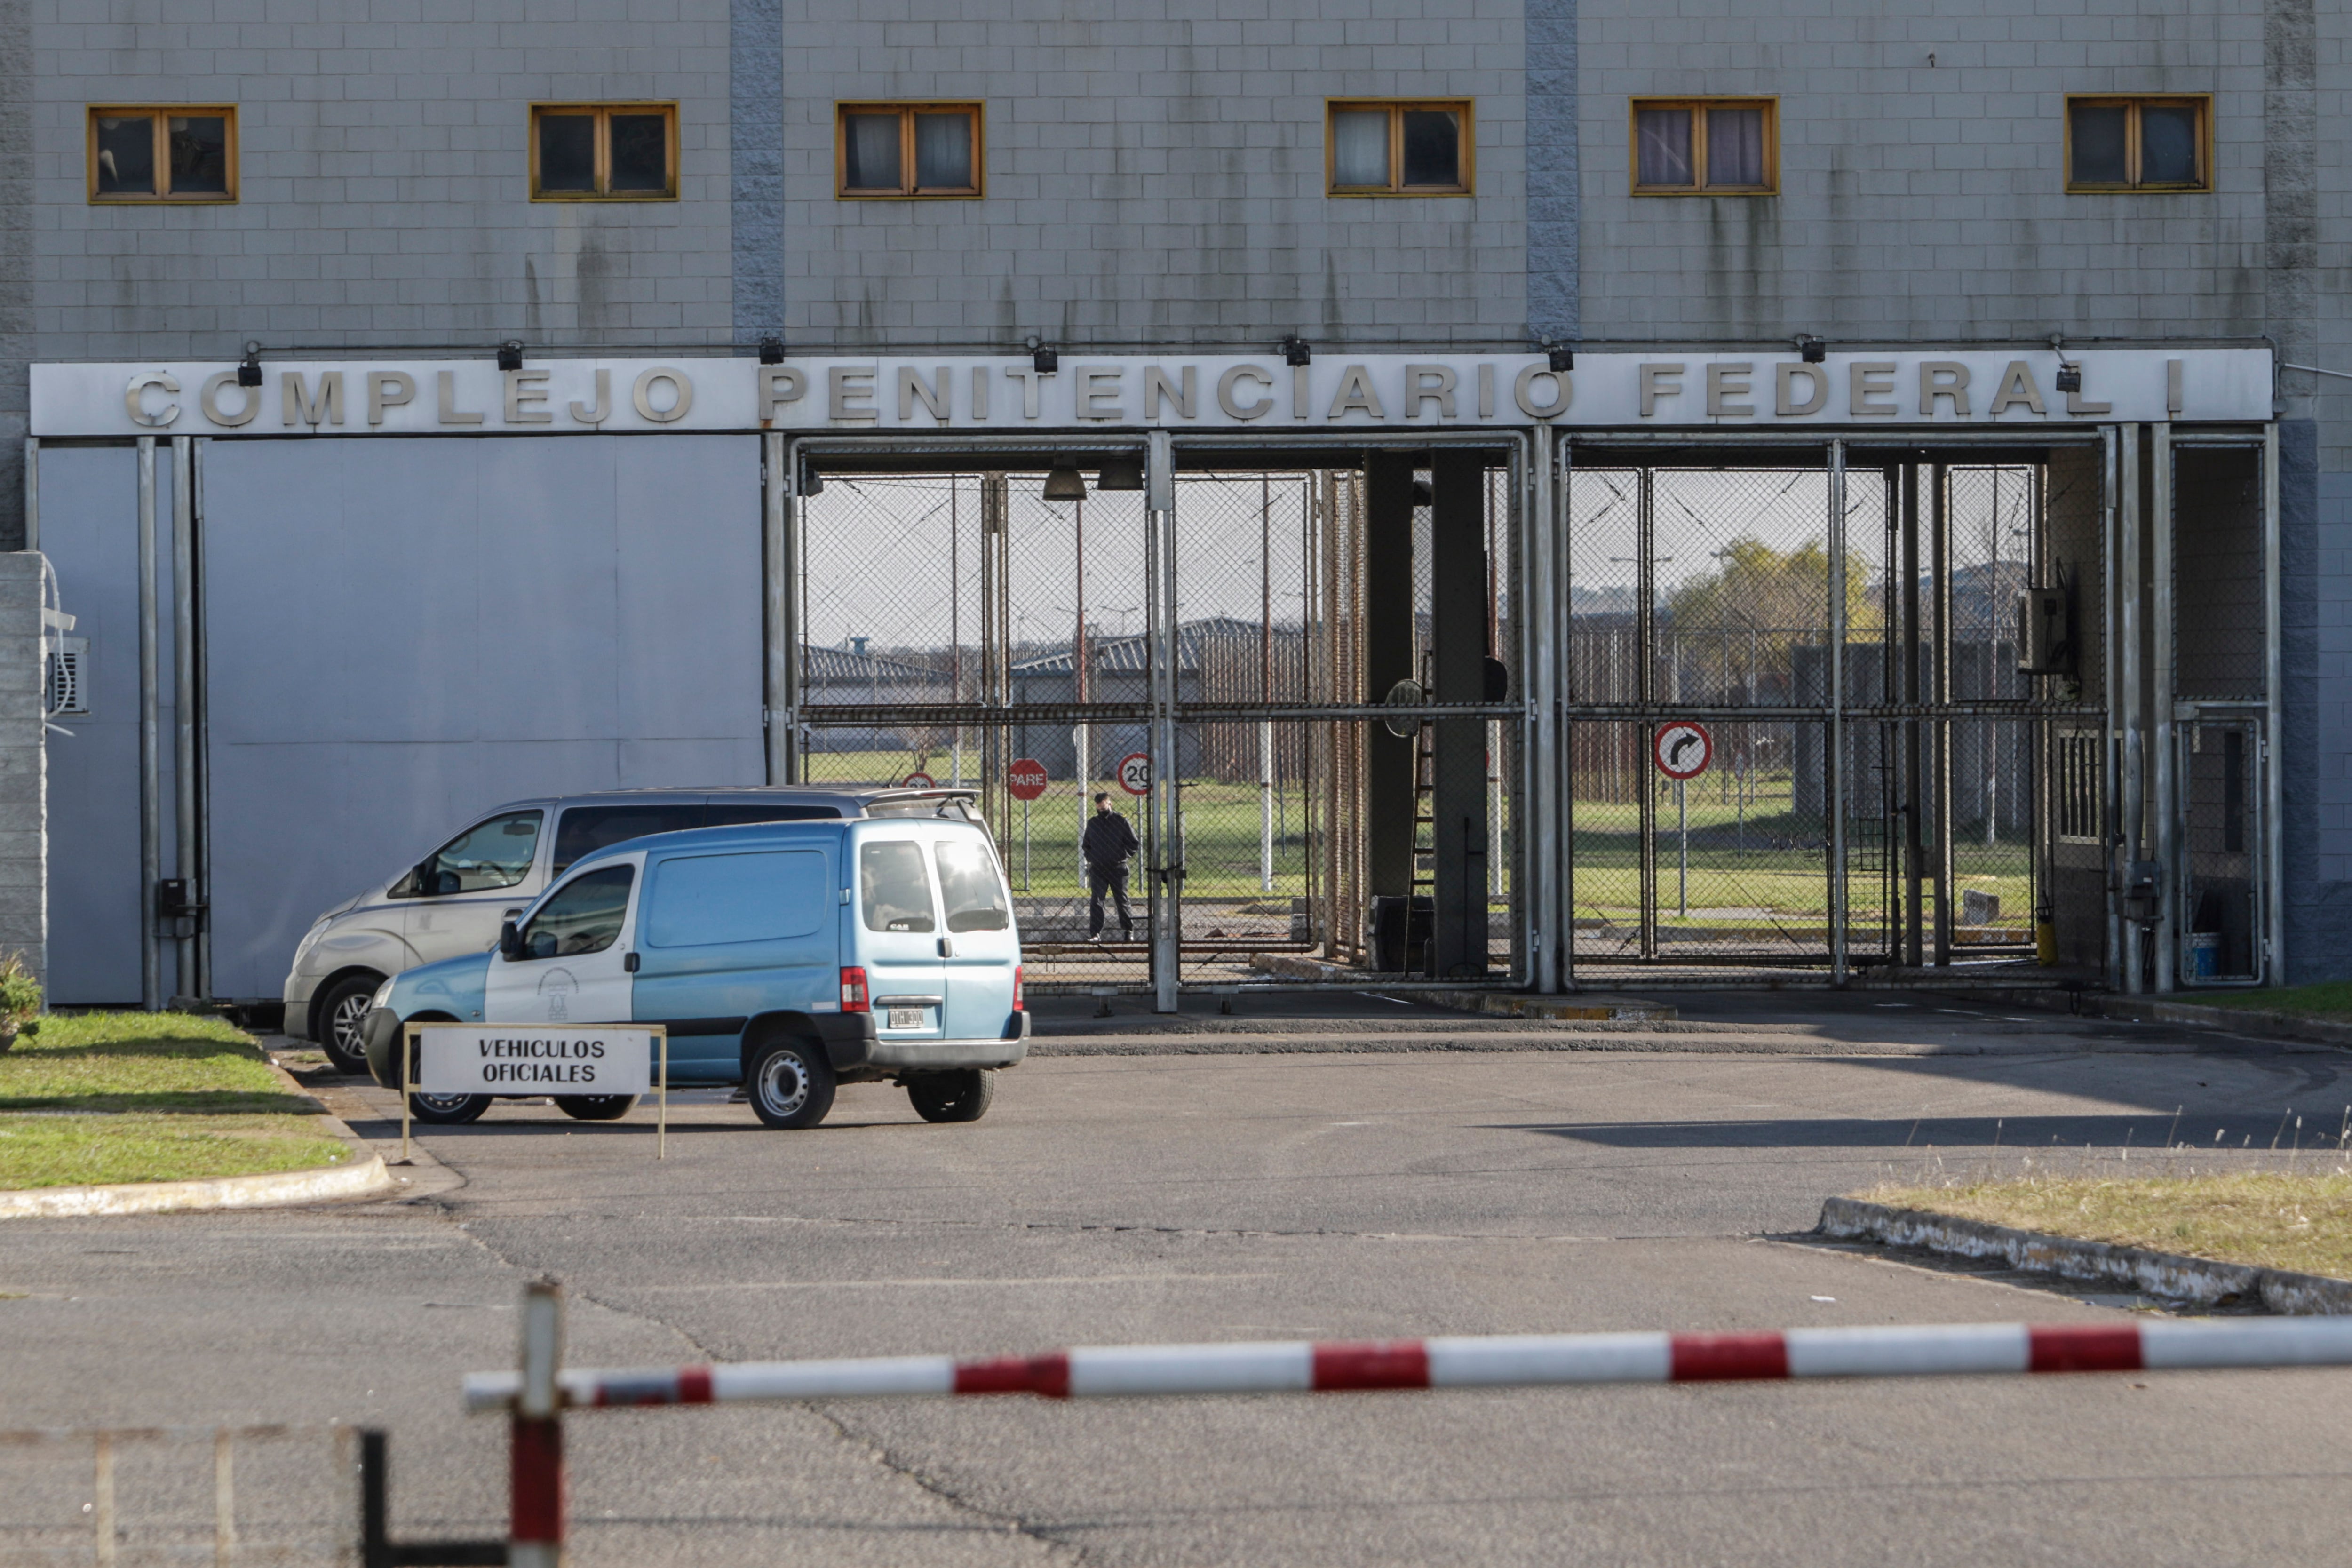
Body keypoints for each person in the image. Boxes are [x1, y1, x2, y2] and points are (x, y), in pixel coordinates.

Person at [1081, 791, 1139, 941]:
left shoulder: (1121, 821)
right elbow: (1086, 845)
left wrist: (1123, 856)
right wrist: (1092, 858)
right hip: (1098, 868)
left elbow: (1133, 843)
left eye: (1104, 808)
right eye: (1099, 808)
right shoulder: (1093, 823)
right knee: (1097, 901)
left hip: (1118, 868)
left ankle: (1128, 931)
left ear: (1110, 804)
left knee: (1122, 901)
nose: (1102, 811)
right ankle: (1095, 934)